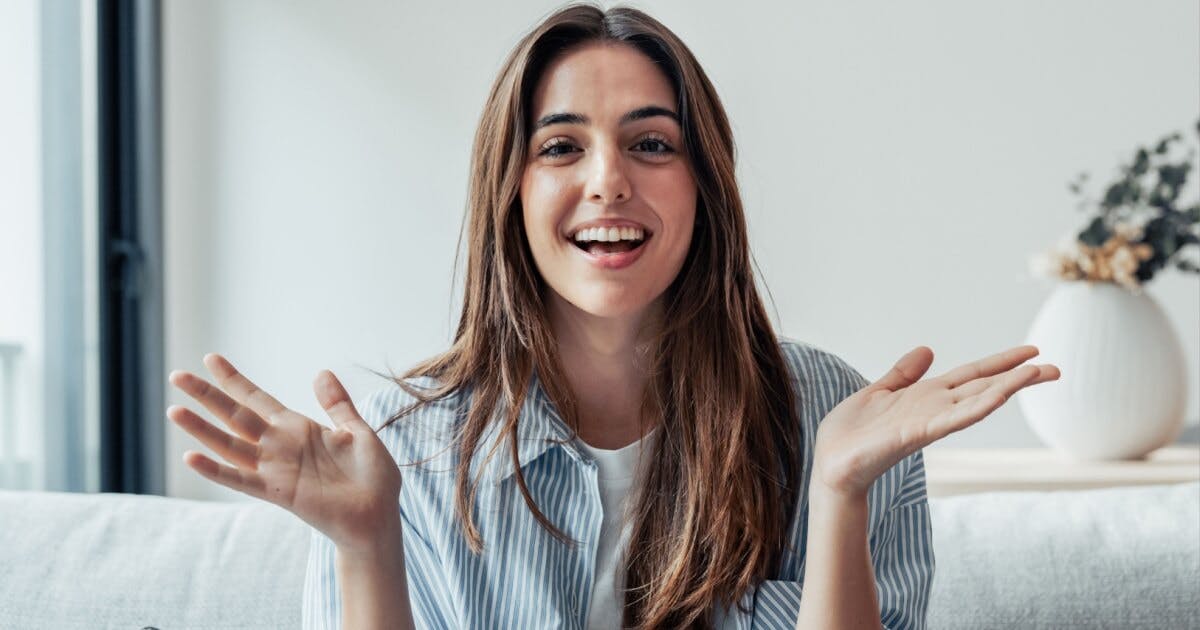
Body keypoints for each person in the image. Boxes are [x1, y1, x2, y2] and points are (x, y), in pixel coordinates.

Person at [167, 3, 1061, 629]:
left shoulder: (841, 419)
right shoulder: (405, 450)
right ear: (509, 192)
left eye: (651, 144)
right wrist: (366, 544)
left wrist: (835, 492)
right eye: (561, 147)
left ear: (704, 184)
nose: (608, 181)